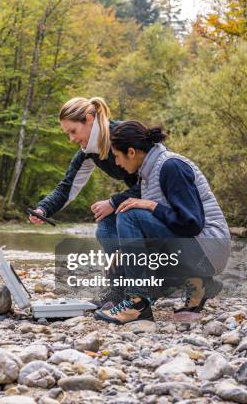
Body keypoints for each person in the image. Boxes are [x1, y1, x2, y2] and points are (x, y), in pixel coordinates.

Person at [93, 121, 230, 325]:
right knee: (106, 227)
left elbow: (191, 224)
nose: (117, 163)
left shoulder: (171, 166)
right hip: (191, 249)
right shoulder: (148, 172)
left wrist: (151, 206)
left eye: (117, 156)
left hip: (208, 250)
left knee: (130, 214)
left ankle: (137, 304)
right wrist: (123, 252)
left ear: (131, 152)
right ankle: (199, 284)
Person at [28, 97, 139, 306]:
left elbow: (156, 181)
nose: (71, 139)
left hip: (163, 200)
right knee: (106, 225)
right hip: (141, 199)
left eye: (73, 131)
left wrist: (114, 202)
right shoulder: (88, 152)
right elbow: (67, 187)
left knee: (108, 223)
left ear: (89, 119)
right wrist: (43, 209)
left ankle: (135, 292)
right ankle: (118, 291)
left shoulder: (125, 136)